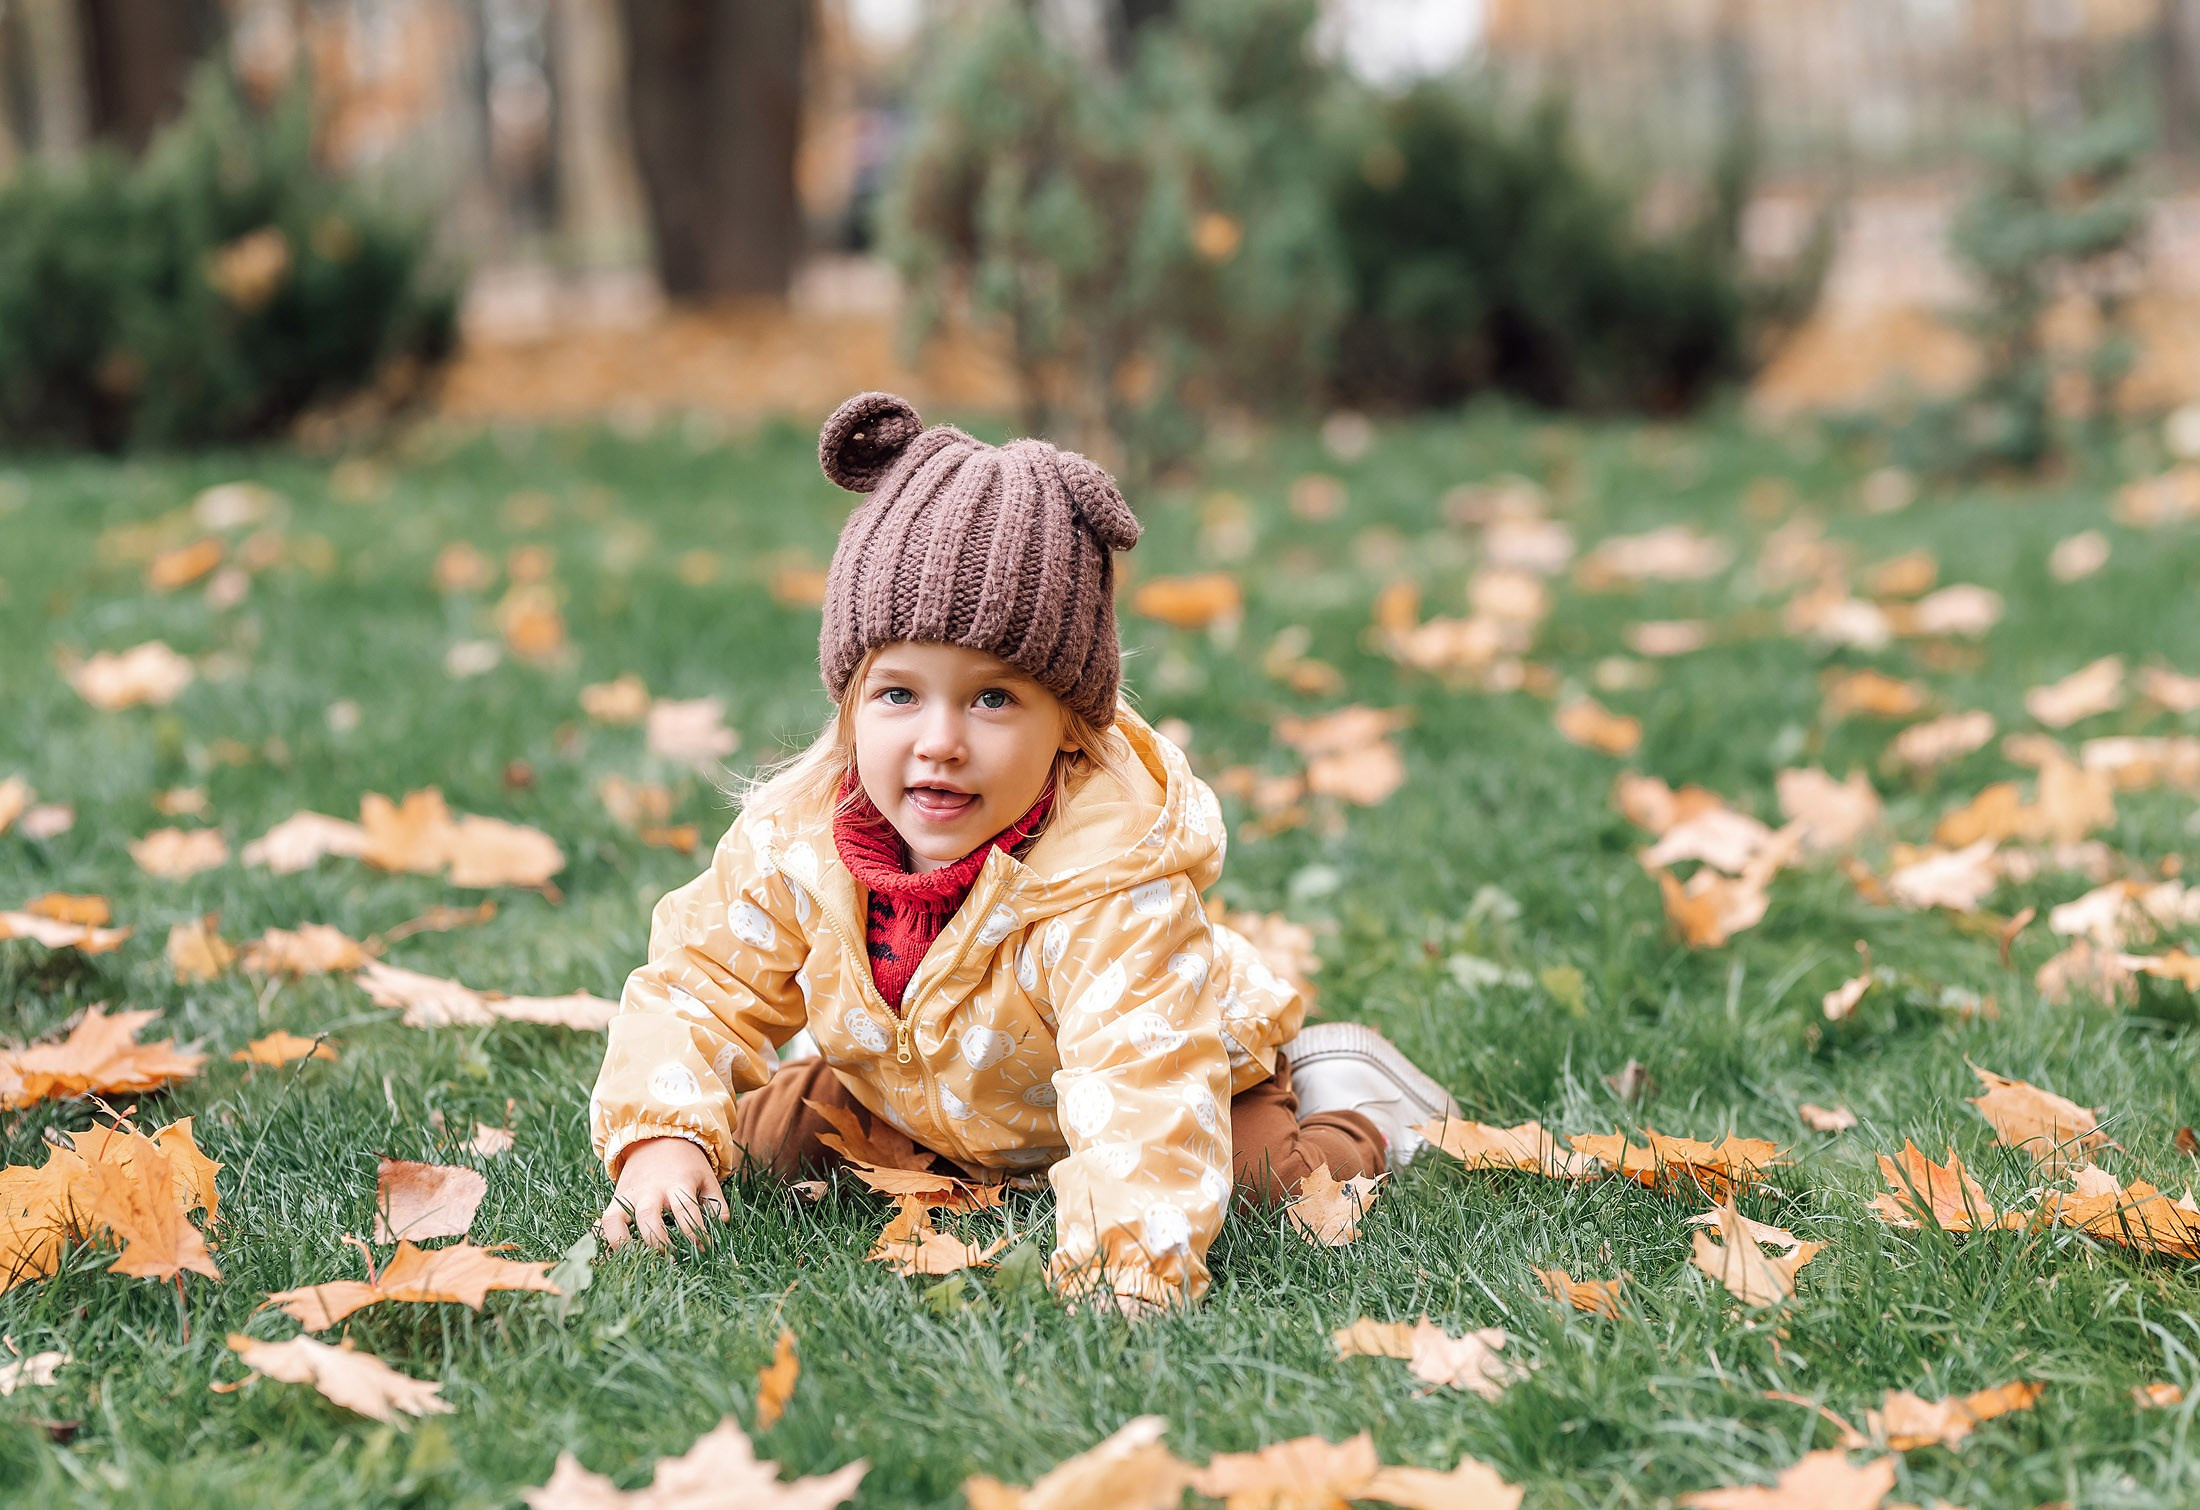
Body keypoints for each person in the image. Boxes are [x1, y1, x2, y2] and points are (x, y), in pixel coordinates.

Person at [588, 391, 1459, 1313]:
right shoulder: (799, 839)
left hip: (1164, 1072)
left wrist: (1131, 1272)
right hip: (921, 1093)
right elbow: (699, 983)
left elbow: (1142, 1089)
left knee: (1252, 1188)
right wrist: (662, 1140)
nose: (940, 740)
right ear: (849, 701)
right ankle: (727, 1147)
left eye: (993, 700)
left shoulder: (1104, 877)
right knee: (768, 1144)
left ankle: (1356, 1111)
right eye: (899, 694)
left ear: (1070, 728)